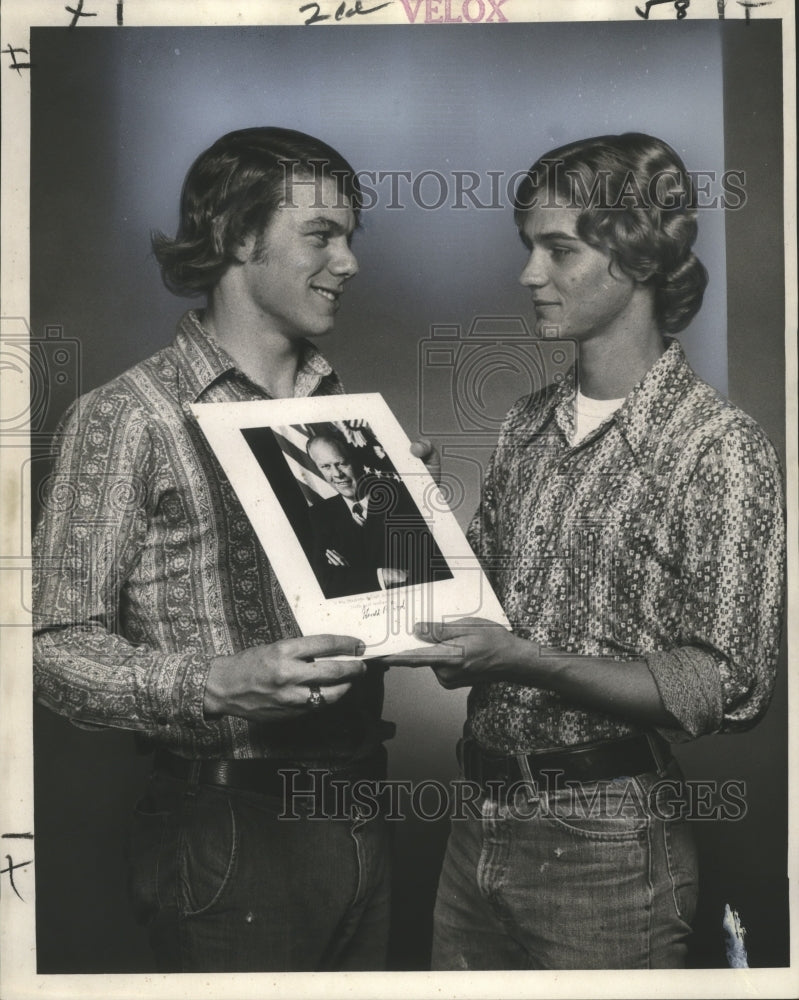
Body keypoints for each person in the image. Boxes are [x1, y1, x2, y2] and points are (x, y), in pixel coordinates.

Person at [31, 127, 430, 973]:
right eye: (321, 235)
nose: (350, 262)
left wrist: (411, 535)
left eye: (350, 237)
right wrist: (217, 681)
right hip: (228, 831)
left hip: (364, 808)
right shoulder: (128, 416)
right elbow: (52, 650)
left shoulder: (347, 419)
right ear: (238, 237)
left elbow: (384, 623)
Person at [394, 133, 786, 969]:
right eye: (527, 247)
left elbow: (720, 686)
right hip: (477, 825)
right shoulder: (523, 425)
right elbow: (468, 627)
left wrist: (527, 660)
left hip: (611, 844)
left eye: (557, 249)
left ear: (637, 258)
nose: (528, 275)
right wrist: (401, 515)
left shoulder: (719, 448)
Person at [306, 430, 451, 599]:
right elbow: (325, 585)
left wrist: (352, 574)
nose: (337, 474)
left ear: (355, 459)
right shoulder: (319, 515)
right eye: (326, 466)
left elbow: (433, 569)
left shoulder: (403, 497)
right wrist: (383, 575)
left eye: (342, 463)